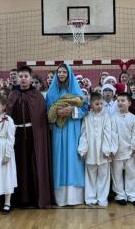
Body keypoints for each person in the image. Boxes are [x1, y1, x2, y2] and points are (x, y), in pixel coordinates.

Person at [6, 65, 53, 208]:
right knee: (18, 166)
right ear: (17, 78)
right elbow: (8, 115)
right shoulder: (12, 94)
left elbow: (41, 119)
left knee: (33, 165)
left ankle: (34, 197)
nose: (23, 79)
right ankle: (19, 198)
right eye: (20, 76)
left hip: (33, 136)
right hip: (17, 136)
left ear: (30, 78)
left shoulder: (37, 95)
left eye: (26, 76)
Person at [45, 63, 88, 206]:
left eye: (64, 72)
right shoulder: (51, 93)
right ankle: (60, 197)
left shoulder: (77, 91)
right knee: (59, 158)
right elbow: (47, 112)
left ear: (69, 74)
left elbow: (85, 110)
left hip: (73, 129)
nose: (61, 74)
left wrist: (72, 110)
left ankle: (74, 197)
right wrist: (56, 112)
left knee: (73, 158)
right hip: (58, 130)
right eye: (59, 72)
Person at [77, 92, 114, 207]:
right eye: (97, 104)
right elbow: (83, 133)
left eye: (101, 104)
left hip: (103, 152)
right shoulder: (87, 116)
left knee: (103, 176)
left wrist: (107, 150)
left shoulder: (106, 116)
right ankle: (90, 198)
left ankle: (102, 198)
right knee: (90, 176)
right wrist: (83, 149)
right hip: (91, 152)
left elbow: (108, 133)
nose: (99, 106)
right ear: (91, 104)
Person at [110, 91, 135, 206]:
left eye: (123, 101)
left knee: (131, 174)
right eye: (118, 101)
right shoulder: (112, 118)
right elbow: (112, 135)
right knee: (117, 174)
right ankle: (120, 195)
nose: (120, 103)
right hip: (117, 151)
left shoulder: (134, 118)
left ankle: (133, 195)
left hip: (130, 152)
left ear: (129, 103)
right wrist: (112, 150)